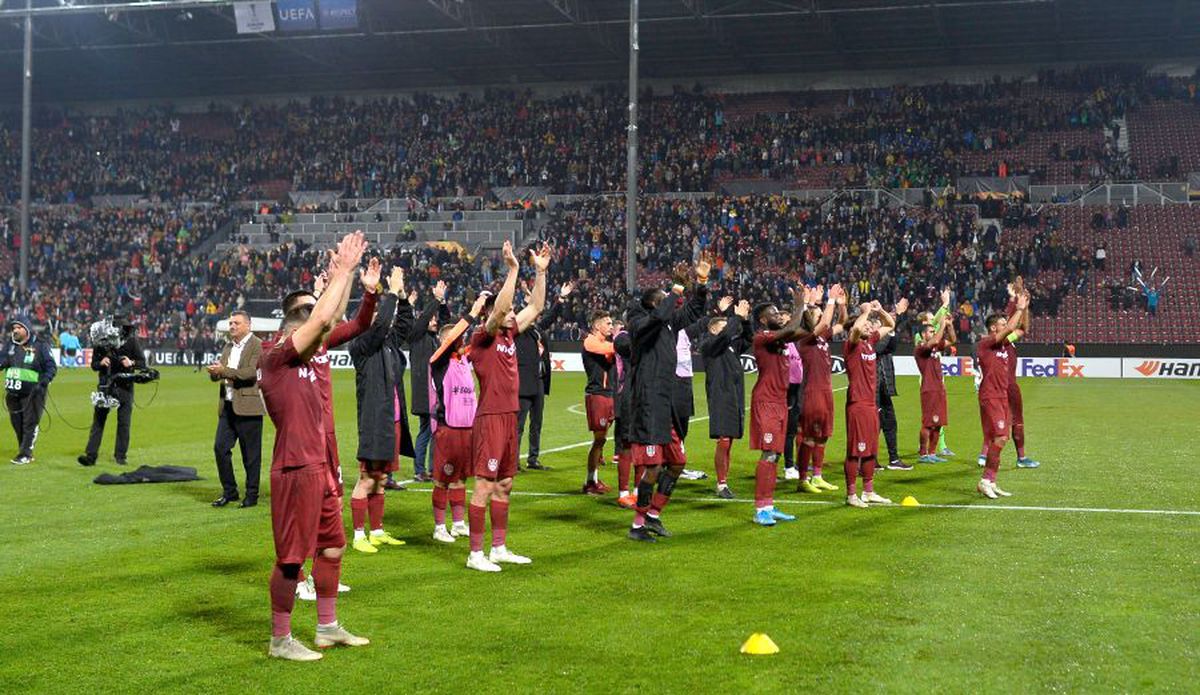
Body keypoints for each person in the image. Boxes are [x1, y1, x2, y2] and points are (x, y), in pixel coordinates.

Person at [258, 231, 371, 662]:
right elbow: (323, 319)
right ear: (294, 326)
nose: (322, 331)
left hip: (320, 465)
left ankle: (326, 627)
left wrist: (346, 275)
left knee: (334, 545)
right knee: (291, 559)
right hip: (294, 467)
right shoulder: (276, 356)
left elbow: (332, 317)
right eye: (312, 324)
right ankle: (280, 640)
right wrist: (342, 272)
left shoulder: (309, 351)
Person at [465, 241, 550, 572]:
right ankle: (475, 554)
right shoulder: (482, 337)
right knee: (484, 486)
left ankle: (498, 548)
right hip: (490, 419)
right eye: (510, 310)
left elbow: (537, 305)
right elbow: (500, 311)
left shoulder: (510, 334)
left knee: (504, 484)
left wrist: (540, 272)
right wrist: (513, 269)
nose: (514, 313)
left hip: (509, 416)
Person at [625, 259, 709, 543]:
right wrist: (676, 288)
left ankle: (654, 514)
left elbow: (694, 310)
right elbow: (661, 315)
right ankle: (637, 525)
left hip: (666, 404)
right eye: (665, 298)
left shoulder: (669, 325)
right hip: (647, 405)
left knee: (677, 462)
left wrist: (701, 283)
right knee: (653, 467)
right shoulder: (640, 325)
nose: (672, 302)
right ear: (653, 303)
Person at [347, 264, 415, 554]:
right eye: (374, 315)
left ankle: (376, 531)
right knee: (366, 479)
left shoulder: (388, 344)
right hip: (374, 421)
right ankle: (358, 535)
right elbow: (382, 323)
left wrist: (401, 296)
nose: (380, 318)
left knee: (382, 479)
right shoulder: (362, 345)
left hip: (391, 421)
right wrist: (390, 293)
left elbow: (404, 324)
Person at [748, 287, 814, 524]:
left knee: (775, 454)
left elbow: (808, 330)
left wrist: (806, 306)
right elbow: (790, 329)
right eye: (774, 313)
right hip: (765, 401)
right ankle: (760, 510)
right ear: (763, 319)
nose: (778, 315)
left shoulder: (781, 338)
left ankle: (769, 505)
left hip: (780, 401)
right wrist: (798, 306)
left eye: (779, 312)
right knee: (768, 454)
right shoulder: (762, 337)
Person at [428, 293, 487, 543]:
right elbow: (455, 336)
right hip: (447, 428)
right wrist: (472, 312)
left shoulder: (463, 360)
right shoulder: (438, 361)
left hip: (468, 428)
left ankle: (459, 523)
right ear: (445, 341)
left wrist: (488, 317)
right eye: (457, 338)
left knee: (461, 477)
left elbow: (481, 341)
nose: (461, 341)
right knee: (443, 478)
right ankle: (439, 527)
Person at [206, 310, 264, 508]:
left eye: (236, 323)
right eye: (230, 323)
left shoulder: (257, 345)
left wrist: (223, 371)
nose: (232, 326)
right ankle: (230, 492)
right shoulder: (228, 346)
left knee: (251, 456)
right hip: (228, 406)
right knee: (220, 448)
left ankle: (252, 496)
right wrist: (215, 372)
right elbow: (222, 373)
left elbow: (250, 373)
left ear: (248, 325)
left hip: (249, 407)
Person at [975, 293, 1029, 500]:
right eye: (1002, 324)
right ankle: (985, 480)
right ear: (993, 328)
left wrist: (1025, 308)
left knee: (1001, 437)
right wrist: (1019, 308)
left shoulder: (1005, 344)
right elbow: (1011, 328)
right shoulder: (986, 343)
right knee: (1000, 437)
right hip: (990, 396)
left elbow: (1020, 329)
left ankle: (991, 481)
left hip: (1002, 396)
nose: (1007, 326)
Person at [843, 300, 895, 508]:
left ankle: (868, 491)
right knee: (856, 451)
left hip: (871, 404)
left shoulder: (870, 342)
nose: (868, 326)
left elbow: (890, 324)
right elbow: (856, 329)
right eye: (865, 324)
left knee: (871, 449)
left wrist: (879, 310)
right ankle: (851, 494)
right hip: (857, 404)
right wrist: (864, 312)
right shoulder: (851, 345)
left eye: (868, 325)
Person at [698, 297, 751, 499]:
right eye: (724, 326)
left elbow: (749, 338)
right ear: (713, 330)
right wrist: (734, 317)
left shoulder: (730, 346)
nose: (729, 329)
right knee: (724, 439)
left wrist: (745, 320)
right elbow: (726, 335)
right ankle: (721, 485)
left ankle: (724, 482)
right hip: (720, 396)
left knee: (730, 439)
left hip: (735, 395)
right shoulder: (709, 344)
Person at [515, 280, 569, 471]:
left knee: (536, 423)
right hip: (523, 384)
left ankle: (533, 459)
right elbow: (525, 313)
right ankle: (513, 461)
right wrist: (527, 300)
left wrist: (561, 299)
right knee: (519, 425)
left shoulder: (537, 330)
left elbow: (550, 317)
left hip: (538, 382)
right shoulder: (518, 331)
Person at [78, 317, 145, 467]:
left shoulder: (132, 341)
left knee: (124, 423)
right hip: (106, 385)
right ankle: (91, 456)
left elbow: (142, 363)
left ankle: (120, 456)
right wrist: (100, 363)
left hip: (125, 386)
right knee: (98, 421)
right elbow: (94, 365)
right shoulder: (101, 341)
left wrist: (132, 362)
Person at [795, 286, 844, 494]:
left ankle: (817, 476)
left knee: (823, 435)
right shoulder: (805, 338)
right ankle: (802, 479)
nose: (823, 316)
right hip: (812, 392)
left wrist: (842, 305)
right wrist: (830, 299)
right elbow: (824, 322)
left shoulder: (822, 337)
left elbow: (842, 324)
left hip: (826, 392)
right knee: (809, 436)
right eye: (818, 314)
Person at [406, 280, 449, 485]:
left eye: (435, 318)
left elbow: (448, 324)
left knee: (434, 432)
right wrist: (436, 300)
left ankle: (431, 468)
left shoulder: (434, 339)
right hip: (424, 394)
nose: (434, 321)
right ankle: (420, 469)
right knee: (426, 431)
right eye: (431, 319)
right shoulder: (417, 337)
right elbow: (423, 319)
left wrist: (442, 303)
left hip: (435, 393)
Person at [2, 316, 56, 465]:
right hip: (13, 393)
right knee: (17, 424)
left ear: (27, 329)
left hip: (33, 393)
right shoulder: (10, 345)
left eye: (18, 328)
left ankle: (25, 454)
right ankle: (24, 450)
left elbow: (51, 367)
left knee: (29, 424)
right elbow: (3, 360)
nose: (15, 331)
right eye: (14, 328)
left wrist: (44, 381)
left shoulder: (40, 345)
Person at [581, 308, 616, 495]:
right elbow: (608, 349)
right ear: (597, 326)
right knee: (599, 439)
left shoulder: (606, 343)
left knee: (601, 440)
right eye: (608, 323)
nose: (611, 326)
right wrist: (622, 342)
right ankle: (590, 482)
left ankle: (593, 479)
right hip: (597, 395)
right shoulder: (590, 341)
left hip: (608, 394)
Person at [914, 311, 955, 464]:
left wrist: (950, 326)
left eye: (933, 331)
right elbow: (936, 339)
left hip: (939, 388)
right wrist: (942, 324)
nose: (933, 333)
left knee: (939, 423)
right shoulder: (921, 347)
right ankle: (923, 454)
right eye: (930, 331)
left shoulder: (936, 348)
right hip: (929, 389)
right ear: (924, 334)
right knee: (928, 423)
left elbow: (953, 340)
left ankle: (932, 453)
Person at [874, 297, 909, 470]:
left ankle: (894, 459)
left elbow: (892, 345)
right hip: (873, 389)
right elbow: (880, 348)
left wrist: (895, 323)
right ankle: (870, 459)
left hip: (884, 387)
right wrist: (895, 318)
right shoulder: (871, 339)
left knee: (890, 422)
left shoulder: (886, 337)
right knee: (875, 425)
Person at [612, 319, 636, 508]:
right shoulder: (623, 338)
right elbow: (623, 345)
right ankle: (623, 493)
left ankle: (638, 492)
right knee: (627, 444)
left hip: (646, 395)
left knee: (644, 445)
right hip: (629, 395)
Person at [780, 310, 805, 481]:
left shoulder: (794, 343)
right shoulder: (780, 340)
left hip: (796, 390)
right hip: (786, 390)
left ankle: (794, 464)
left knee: (794, 430)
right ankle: (788, 467)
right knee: (787, 432)